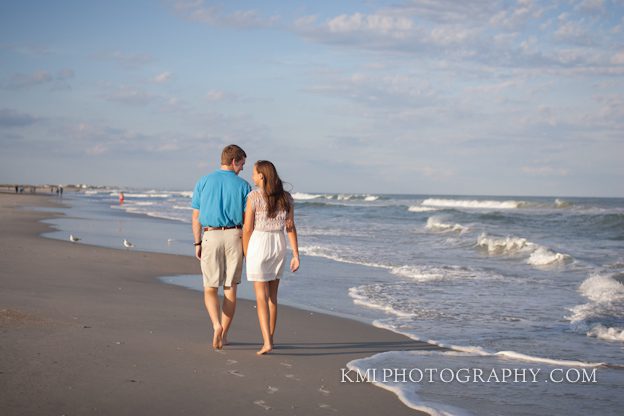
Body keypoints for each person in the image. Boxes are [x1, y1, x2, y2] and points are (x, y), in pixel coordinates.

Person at [191, 144, 251, 350]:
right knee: (230, 288)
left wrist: (197, 242)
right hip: (235, 235)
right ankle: (224, 335)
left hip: (210, 234)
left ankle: (216, 325)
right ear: (234, 161)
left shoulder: (203, 181)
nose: (242, 168)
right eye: (242, 163)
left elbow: (196, 216)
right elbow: (248, 220)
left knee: (209, 286)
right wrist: (247, 246)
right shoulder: (244, 186)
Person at [242, 160, 299, 355]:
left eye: (254, 173)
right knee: (272, 297)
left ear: (262, 176)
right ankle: (270, 338)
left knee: (260, 297)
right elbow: (290, 227)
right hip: (279, 245)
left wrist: (246, 252)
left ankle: (267, 342)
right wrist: (296, 254)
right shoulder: (287, 198)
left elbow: (247, 228)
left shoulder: (253, 197)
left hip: (259, 244)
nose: (252, 176)